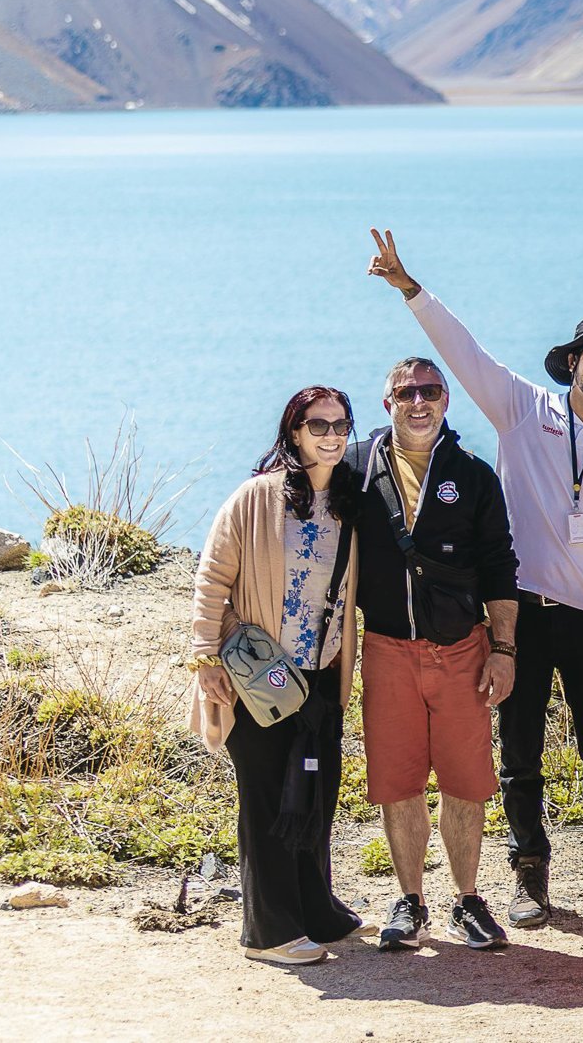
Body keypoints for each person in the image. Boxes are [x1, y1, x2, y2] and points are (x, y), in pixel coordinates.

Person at [366, 229, 583, 931]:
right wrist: (412, 290)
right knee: (520, 753)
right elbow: (462, 351)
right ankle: (529, 880)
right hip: (516, 617)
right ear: (573, 360)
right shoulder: (520, 408)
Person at [344, 358, 520, 952]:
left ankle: (467, 900)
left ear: (446, 401)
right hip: (388, 648)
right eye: (406, 393)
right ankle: (410, 900)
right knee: (398, 781)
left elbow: (499, 563)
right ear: (386, 402)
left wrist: (503, 648)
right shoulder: (357, 471)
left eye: (431, 391)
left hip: (463, 648)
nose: (419, 403)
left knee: (466, 782)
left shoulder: (472, 475)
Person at [188, 386, 364, 965]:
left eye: (341, 425)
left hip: (319, 675)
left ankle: (316, 910)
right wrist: (206, 658)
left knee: (314, 793)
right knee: (265, 799)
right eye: (318, 425)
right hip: (258, 676)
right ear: (294, 431)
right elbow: (212, 579)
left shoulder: (346, 502)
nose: (331, 436)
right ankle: (270, 932)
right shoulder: (255, 498)